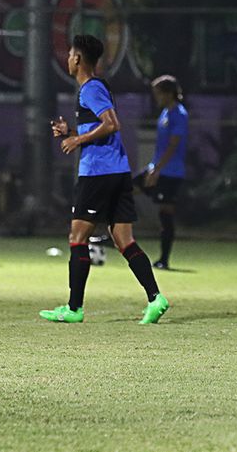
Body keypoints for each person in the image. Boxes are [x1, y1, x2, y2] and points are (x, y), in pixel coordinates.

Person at [39, 34, 169, 324]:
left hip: (98, 174)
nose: (68, 59)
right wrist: (72, 132)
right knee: (124, 240)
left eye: (71, 54)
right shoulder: (95, 88)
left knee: (77, 237)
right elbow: (101, 128)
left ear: (77, 59)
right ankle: (155, 298)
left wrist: (77, 139)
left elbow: (112, 124)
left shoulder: (90, 89)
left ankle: (74, 309)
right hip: (117, 171)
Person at [134, 75, 188, 270]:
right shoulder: (165, 112)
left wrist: (157, 169)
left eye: (158, 93)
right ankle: (116, 234)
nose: (155, 97)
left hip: (170, 173)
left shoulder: (179, 114)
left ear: (168, 93)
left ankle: (164, 259)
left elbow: (173, 145)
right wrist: (153, 167)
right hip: (156, 169)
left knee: (166, 213)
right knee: (126, 190)